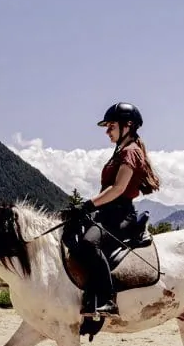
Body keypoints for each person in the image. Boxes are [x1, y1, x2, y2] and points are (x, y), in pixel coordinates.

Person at [66, 101, 161, 323]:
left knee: (89, 244)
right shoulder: (120, 151)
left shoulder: (131, 152)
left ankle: (107, 299)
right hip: (106, 213)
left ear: (127, 126)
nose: (107, 131)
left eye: (111, 126)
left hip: (120, 215)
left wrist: (88, 205)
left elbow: (118, 189)